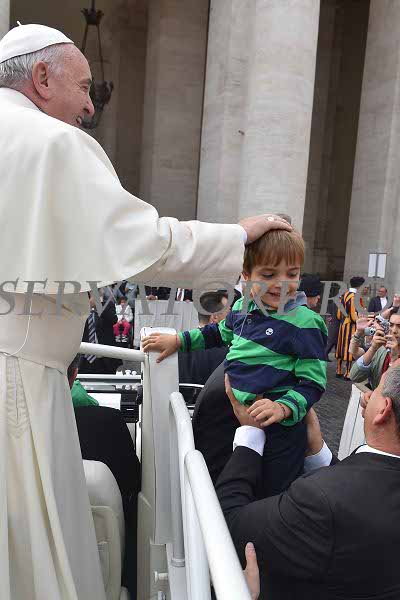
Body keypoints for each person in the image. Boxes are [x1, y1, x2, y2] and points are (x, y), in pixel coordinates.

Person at [0, 23, 292, 600]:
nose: (90, 105)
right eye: (83, 87)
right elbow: (148, 245)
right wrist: (238, 237)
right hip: (18, 385)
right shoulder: (50, 142)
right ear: (42, 78)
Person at [143, 228, 327, 496]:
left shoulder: (306, 322)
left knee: (272, 495)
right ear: (246, 276)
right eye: (269, 275)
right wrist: (179, 341)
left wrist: (283, 407)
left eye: (292, 273)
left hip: (280, 429)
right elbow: (216, 333)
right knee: (233, 483)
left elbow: (313, 381)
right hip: (238, 416)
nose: (282, 283)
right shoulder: (242, 308)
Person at [216, 364, 400, 600]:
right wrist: (318, 452)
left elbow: (227, 523)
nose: (367, 396)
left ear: (383, 410)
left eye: (375, 391)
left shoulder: (319, 500)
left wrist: (250, 437)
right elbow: (369, 493)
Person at [178, 291, 230, 385]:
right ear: (215, 317)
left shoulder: (178, 346)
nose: (233, 317)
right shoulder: (229, 353)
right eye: (229, 313)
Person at [350, 310, 400, 390]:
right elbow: (354, 376)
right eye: (391, 325)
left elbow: (391, 390)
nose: (394, 331)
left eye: (399, 326)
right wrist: (373, 348)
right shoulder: (381, 349)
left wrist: (394, 360)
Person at [80, 292, 121, 374]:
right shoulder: (79, 307)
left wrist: (97, 305)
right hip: (84, 359)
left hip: (104, 359)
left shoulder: (107, 305)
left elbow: (113, 319)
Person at [335, 276, 365, 378]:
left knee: (340, 346)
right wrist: (360, 320)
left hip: (342, 325)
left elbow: (339, 314)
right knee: (350, 347)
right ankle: (347, 372)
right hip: (351, 326)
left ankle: (338, 369)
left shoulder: (344, 295)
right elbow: (353, 315)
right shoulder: (354, 297)